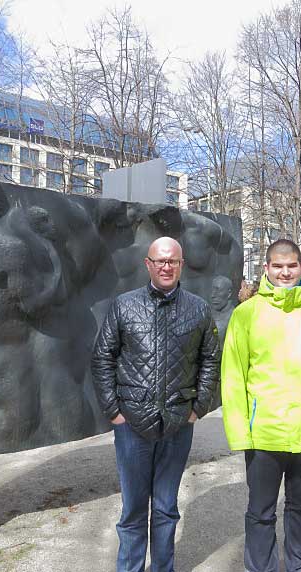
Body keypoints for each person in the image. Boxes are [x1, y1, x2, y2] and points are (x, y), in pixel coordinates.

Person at [221, 239, 301, 572]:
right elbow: (233, 376)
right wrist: (239, 431)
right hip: (264, 433)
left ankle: (299, 566)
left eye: (291, 265)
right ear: (266, 268)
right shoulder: (246, 314)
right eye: (278, 266)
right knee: (260, 512)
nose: (285, 272)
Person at [91, 236, 220, 572]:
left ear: (181, 265)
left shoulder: (198, 308)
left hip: (177, 423)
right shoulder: (124, 306)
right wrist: (113, 411)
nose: (166, 266)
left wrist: (198, 407)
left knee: (165, 508)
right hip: (132, 424)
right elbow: (103, 357)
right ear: (148, 264)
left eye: (172, 261)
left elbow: (210, 359)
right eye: (160, 260)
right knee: (133, 510)